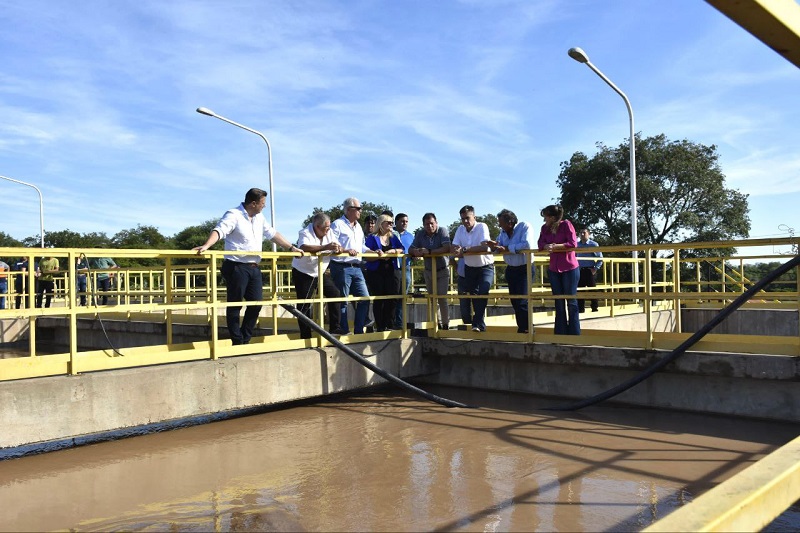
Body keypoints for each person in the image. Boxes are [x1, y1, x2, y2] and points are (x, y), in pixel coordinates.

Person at [194, 187, 303, 345]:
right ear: (253, 203)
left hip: (253, 267)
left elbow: (273, 234)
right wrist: (207, 245)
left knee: (256, 303)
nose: (264, 206)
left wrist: (292, 248)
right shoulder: (234, 214)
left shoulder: (259, 218)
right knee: (235, 304)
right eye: (262, 203)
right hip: (236, 266)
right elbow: (220, 230)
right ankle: (237, 341)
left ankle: (245, 338)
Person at [291, 212, 344, 338]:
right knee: (304, 304)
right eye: (325, 229)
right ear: (317, 227)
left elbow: (337, 245)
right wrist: (325, 246)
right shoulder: (305, 232)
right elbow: (304, 247)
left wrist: (339, 249)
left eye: (328, 228)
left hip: (319, 271)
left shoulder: (328, 231)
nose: (328, 231)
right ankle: (306, 335)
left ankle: (335, 328)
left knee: (335, 294)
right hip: (303, 272)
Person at [485, 209, 534, 333]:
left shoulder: (524, 227)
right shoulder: (502, 233)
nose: (499, 226)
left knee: (523, 300)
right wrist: (493, 247)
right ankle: (523, 328)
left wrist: (507, 248)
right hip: (511, 269)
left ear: (510, 222)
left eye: (501, 223)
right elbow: (498, 248)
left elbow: (526, 244)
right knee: (515, 301)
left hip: (525, 268)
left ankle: (527, 329)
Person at [329, 197, 372, 335]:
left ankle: (359, 331)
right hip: (342, 267)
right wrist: (347, 250)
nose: (361, 211)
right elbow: (332, 244)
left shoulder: (358, 226)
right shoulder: (337, 224)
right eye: (358, 208)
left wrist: (373, 252)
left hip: (357, 267)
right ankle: (344, 331)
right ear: (349, 210)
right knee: (343, 301)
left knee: (365, 299)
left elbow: (361, 247)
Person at [537, 204, 580, 335]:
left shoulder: (566, 225)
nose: (544, 219)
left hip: (569, 268)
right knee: (558, 301)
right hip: (553, 269)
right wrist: (546, 246)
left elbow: (573, 243)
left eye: (546, 216)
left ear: (552, 217)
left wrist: (556, 246)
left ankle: (574, 333)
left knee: (571, 301)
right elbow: (540, 244)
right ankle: (560, 333)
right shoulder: (544, 228)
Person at [451, 205, 494, 332]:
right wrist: (457, 250)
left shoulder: (482, 226)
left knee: (483, 293)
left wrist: (464, 250)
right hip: (470, 267)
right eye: (463, 219)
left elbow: (484, 247)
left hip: (485, 267)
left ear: (474, 217)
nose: (465, 221)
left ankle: (477, 323)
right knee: (474, 296)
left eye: (468, 218)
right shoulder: (460, 229)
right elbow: (454, 247)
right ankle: (479, 325)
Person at [409, 212, 451, 329]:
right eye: (427, 224)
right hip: (428, 270)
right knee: (432, 298)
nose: (430, 226)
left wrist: (429, 252)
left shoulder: (442, 231)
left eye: (432, 223)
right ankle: (436, 324)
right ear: (423, 225)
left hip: (442, 269)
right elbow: (411, 248)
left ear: (436, 223)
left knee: (442, 297)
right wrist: (416, 252)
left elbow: (447, 247)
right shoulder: (420, 234)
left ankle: (446, 324)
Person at [364, 214, 404, 332]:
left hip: (391, 270)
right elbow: (366, 254)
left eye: (392, 223)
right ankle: (380, 325)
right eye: (389, 223)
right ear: (381, 224)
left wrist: (393, 250)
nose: (391, 225)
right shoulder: (372, 238)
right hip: (376, 271)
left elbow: (402, 249)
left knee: (393, 297)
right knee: (379, 298)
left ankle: (389, 324)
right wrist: (377, 255)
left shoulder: (393, 237)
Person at [394, 212, 414, 328]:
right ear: (396, 222)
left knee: (403, 297)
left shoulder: (410, 236)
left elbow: (414, 249)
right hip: (392, 269)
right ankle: (391, 323)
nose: (404, 223)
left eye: (406, 221)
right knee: (393, 297)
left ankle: (400, 324)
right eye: (402, 221)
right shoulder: (391, 234)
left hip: (405, 268)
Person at [577, 228, 603, 313]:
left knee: (592, 290)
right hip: (580, 270)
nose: (582, 234)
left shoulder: (593, 245)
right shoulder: (577, 245)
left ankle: (594, 308)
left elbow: (600, 259)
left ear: (589, 234)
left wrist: (595, 269)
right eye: (581, 232)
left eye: (584, 232)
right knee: (580, 290)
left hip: (589, 270)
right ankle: (581, 309)